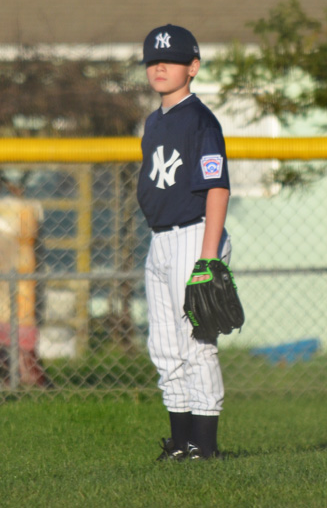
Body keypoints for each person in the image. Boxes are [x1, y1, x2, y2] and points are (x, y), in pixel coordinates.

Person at [136, 23, 232, 461]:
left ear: (192, 68)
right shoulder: (153, 121)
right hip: (160, 240)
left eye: (171, 60)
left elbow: (217, 188)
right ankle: (179, 442)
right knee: (164, 346)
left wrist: (209, 260)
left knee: (196, 345)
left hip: (194, 235)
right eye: (153, 60)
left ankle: (205, 446)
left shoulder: (200, 120)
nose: (160, 67)